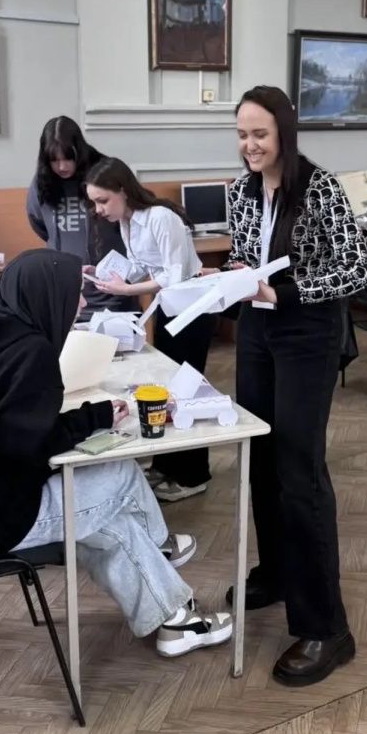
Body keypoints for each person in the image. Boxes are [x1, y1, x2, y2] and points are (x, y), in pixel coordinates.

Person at [0, 251, 232, 658]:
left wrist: (94, 416)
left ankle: (175, 620)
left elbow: (12, 433)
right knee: (119, 470)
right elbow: (31, 446)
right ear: (47, 295)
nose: (81, 303)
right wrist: (92, 420)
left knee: (111, 523)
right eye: (74, 292)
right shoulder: (30, 353)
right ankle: (159, 547)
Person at [228, 85, 367, 687]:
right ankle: (279, 570)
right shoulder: (239, 191)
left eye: (260, 134)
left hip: (307, 331)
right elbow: (245, 257)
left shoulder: (320, 188)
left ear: (284, 131)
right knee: (260, 456)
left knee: (299, 469)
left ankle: (326, 627)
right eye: (242, 134)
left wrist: (283, 293)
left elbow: (356, 268)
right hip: (257, 330)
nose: (250, 145)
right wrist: (230, 278)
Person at [84, 157, 213, 502]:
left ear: (123, 190)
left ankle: (193, 475)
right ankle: (166, 464)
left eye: (102, 201)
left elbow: (174, 275)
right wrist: (102, 273)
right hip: (169, 308)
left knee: (187, 388)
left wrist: (126, 289)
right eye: (95, 203)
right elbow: (141, 268)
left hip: (191, 308)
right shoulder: (128, 221)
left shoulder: (160, 217)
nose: (98, 210)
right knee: (167, 386)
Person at [26, 117, 136, 317]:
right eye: (54, 160)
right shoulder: (41, 183)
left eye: (68, 158)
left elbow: (132, 219)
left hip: (112, 291)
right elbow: (40, 226)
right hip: (67, 293)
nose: (62, 166)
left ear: (80, 150)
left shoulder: (105, 174)